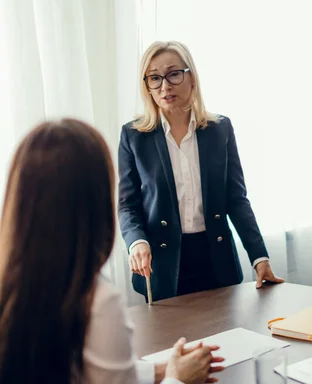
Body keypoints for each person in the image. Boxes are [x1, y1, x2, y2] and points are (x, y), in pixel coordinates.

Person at [0, 119, 224, 383]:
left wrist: (161, 369)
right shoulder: (97, 301)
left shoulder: (17, 284)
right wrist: (177, 378)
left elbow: (85, 370)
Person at [119, 41, 283, 302]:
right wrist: (136, 242)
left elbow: (236, 199)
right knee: (173, 341)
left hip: (215, 259)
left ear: (191, 77)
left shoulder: (219, 129)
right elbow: (128, 205)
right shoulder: (134, 136)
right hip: (163, 264)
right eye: (154, 78)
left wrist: (259, 257)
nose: (165, 86)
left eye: (173, 74)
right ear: (146, 85)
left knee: (226, 340)